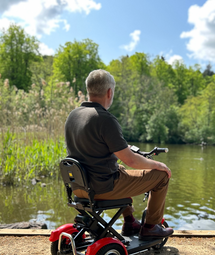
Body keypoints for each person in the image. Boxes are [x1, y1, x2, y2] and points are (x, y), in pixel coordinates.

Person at [65, 69, 173, 239]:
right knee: (161, 176)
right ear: (110, 92)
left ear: (89, 90)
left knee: (120, 169)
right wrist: (159, 165)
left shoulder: (73, 116)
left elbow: (93, 148)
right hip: (103, 188)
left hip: (79, 188)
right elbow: (132, 160)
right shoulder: (105, 119)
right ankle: (151, 227)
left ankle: (129, 222)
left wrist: (121, 148)